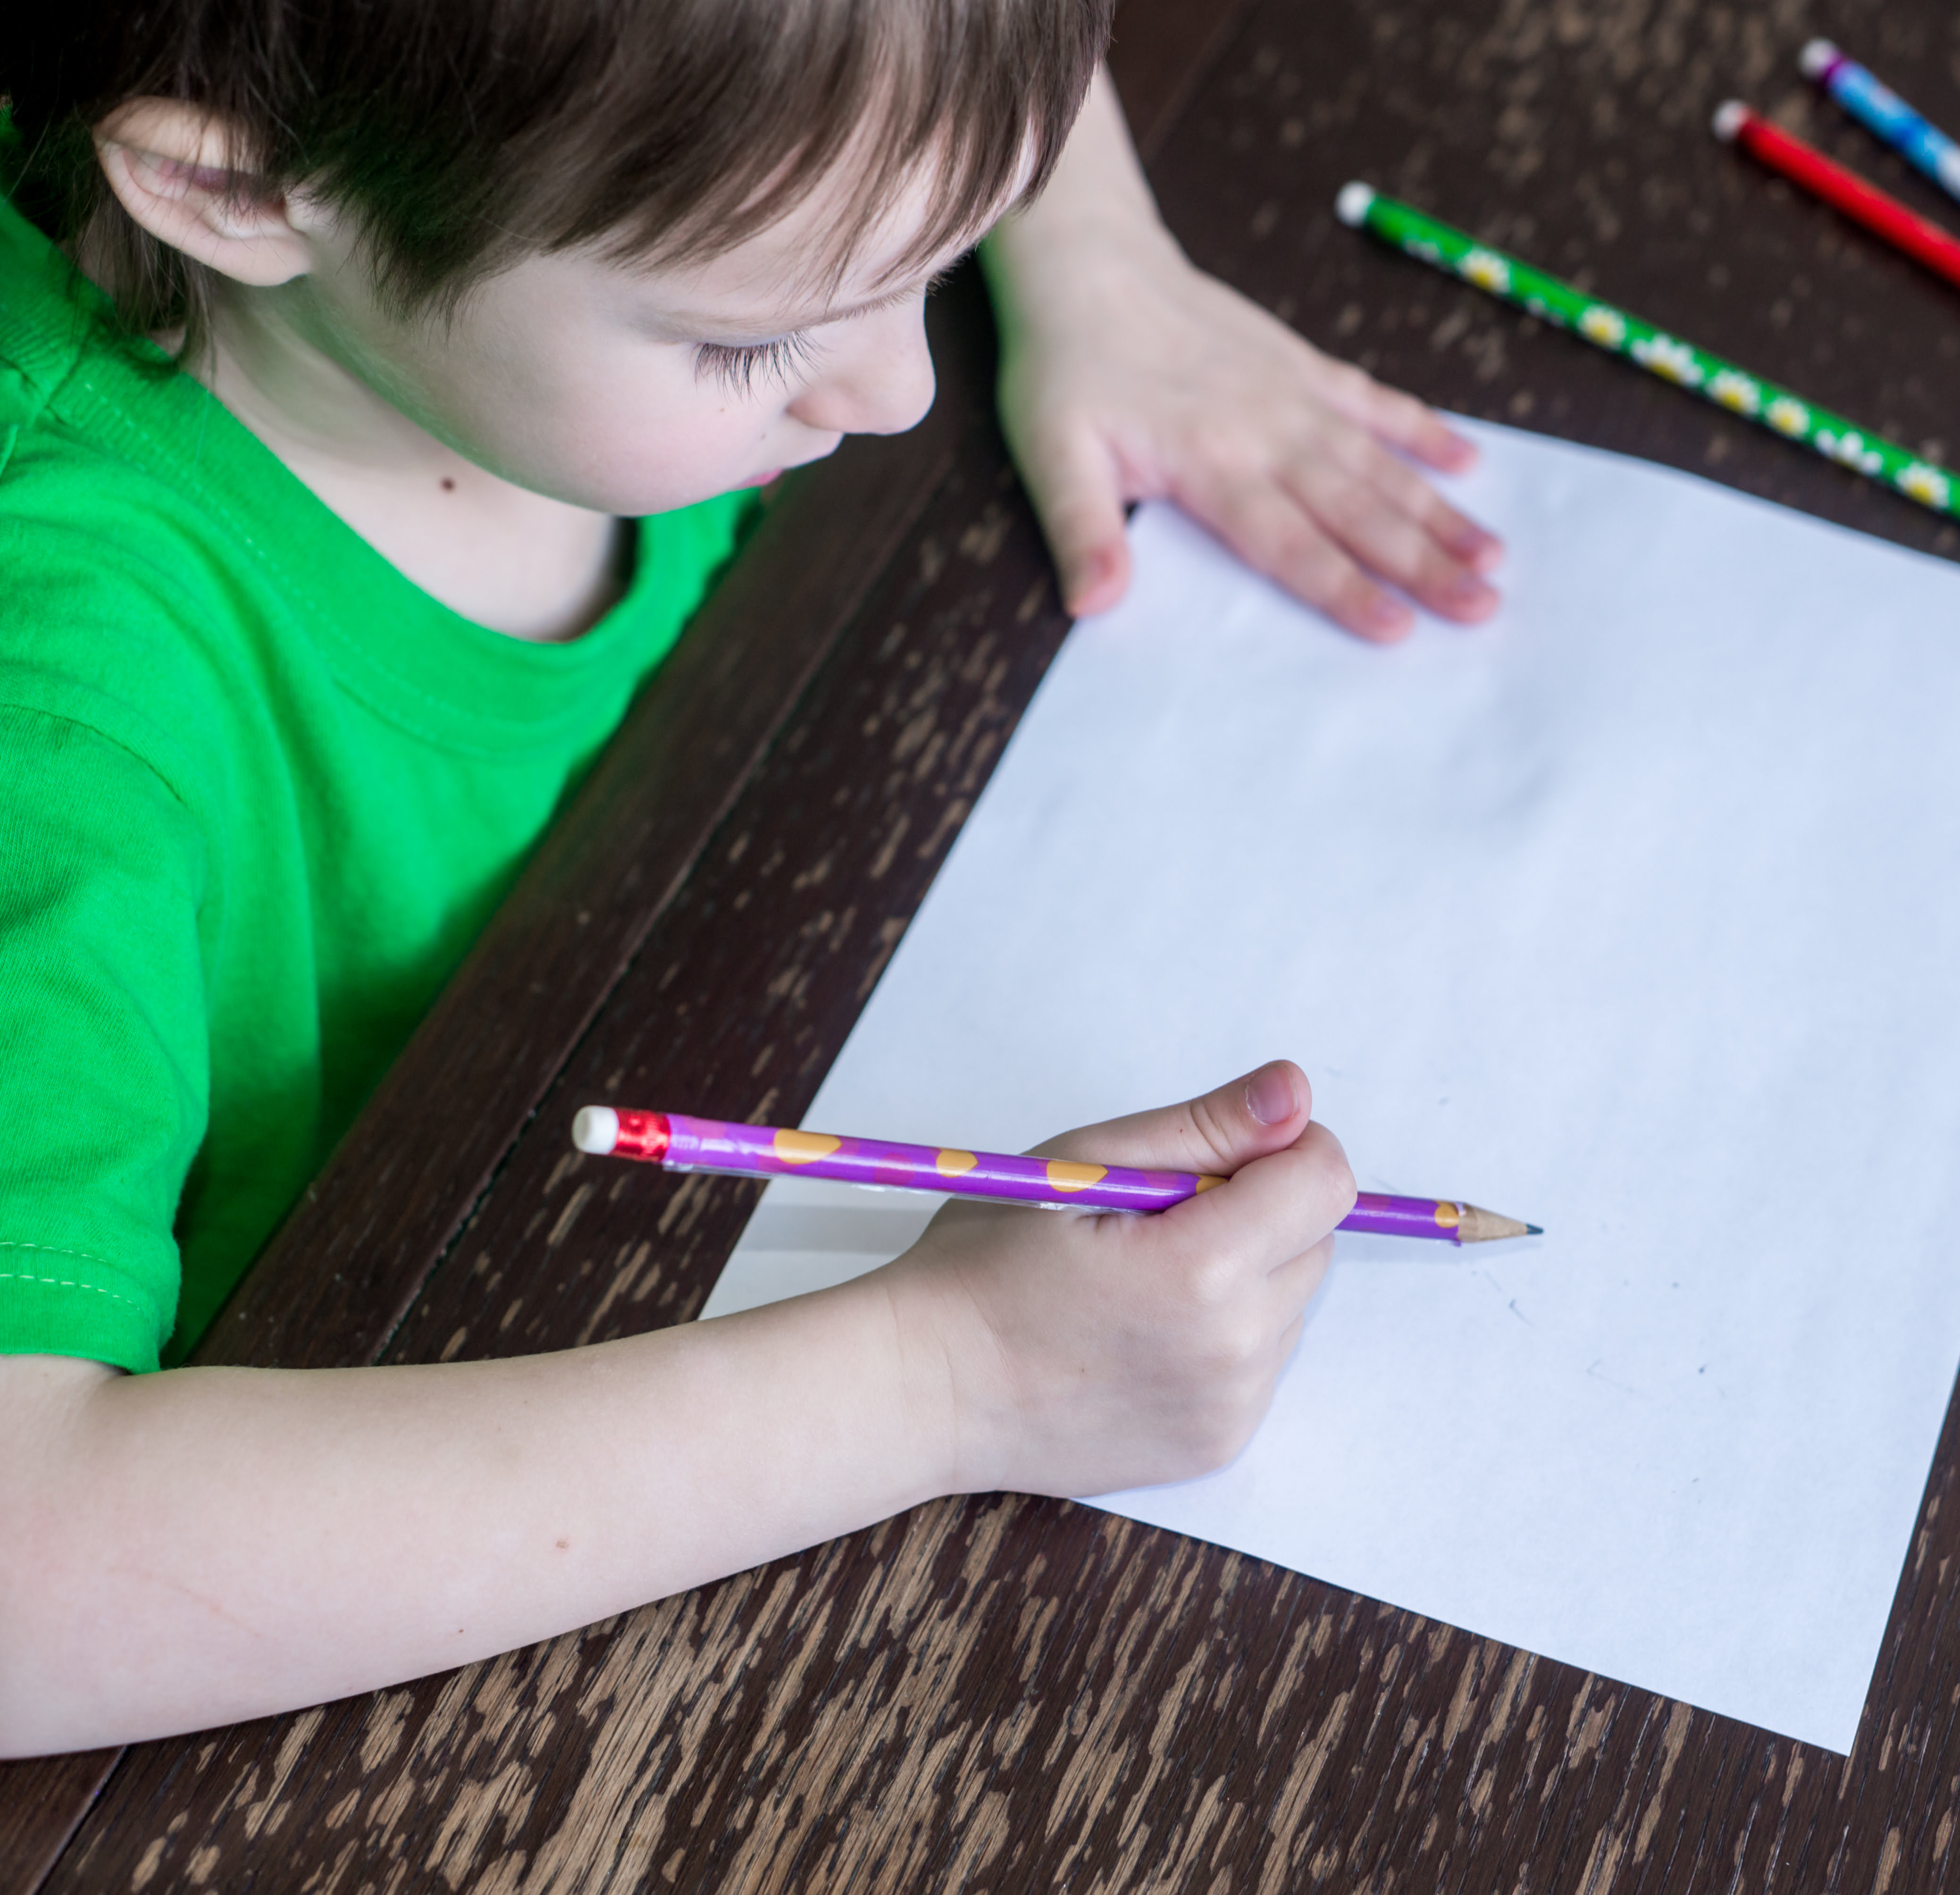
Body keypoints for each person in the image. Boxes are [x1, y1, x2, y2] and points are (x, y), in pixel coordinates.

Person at [0, 0, 1503, 1757]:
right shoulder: (66, 691)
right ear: (235, 192)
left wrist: (1093, 251)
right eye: (762, 334)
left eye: (949, 242)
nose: (899, 390)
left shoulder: (529, 203)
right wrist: (953, 1379)